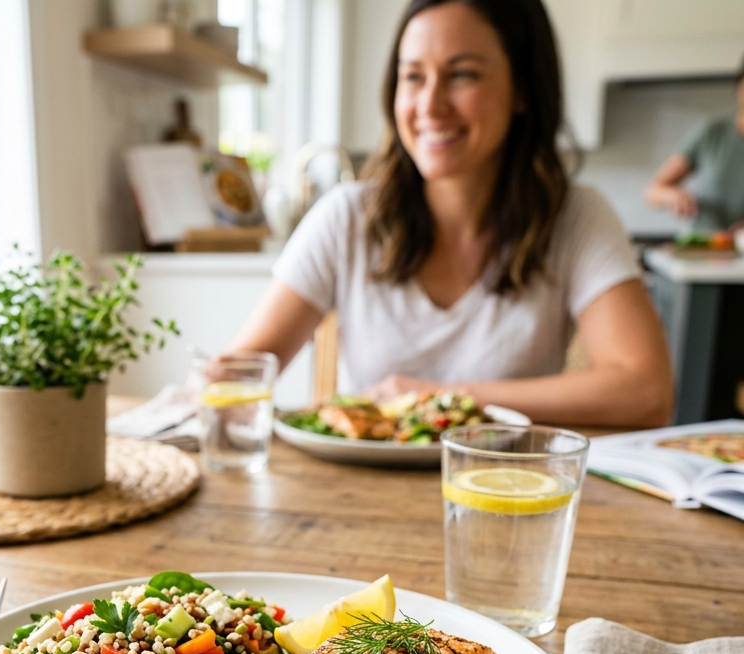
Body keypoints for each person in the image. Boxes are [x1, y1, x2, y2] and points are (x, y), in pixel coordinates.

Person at [233, 0, 673, 427]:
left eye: (462, 74)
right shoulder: (346, 217)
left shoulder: (576, 218)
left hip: (502, 492)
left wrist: (439, 398)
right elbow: (240, 373)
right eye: (413, 77)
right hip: (358, 494)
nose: (429, 105)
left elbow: (646, 392)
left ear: (522, 90)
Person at [645, 60, 744, 232]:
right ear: (738, 86)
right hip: (704, 249)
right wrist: (673, 196)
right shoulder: (712, 133)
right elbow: (653, 192)